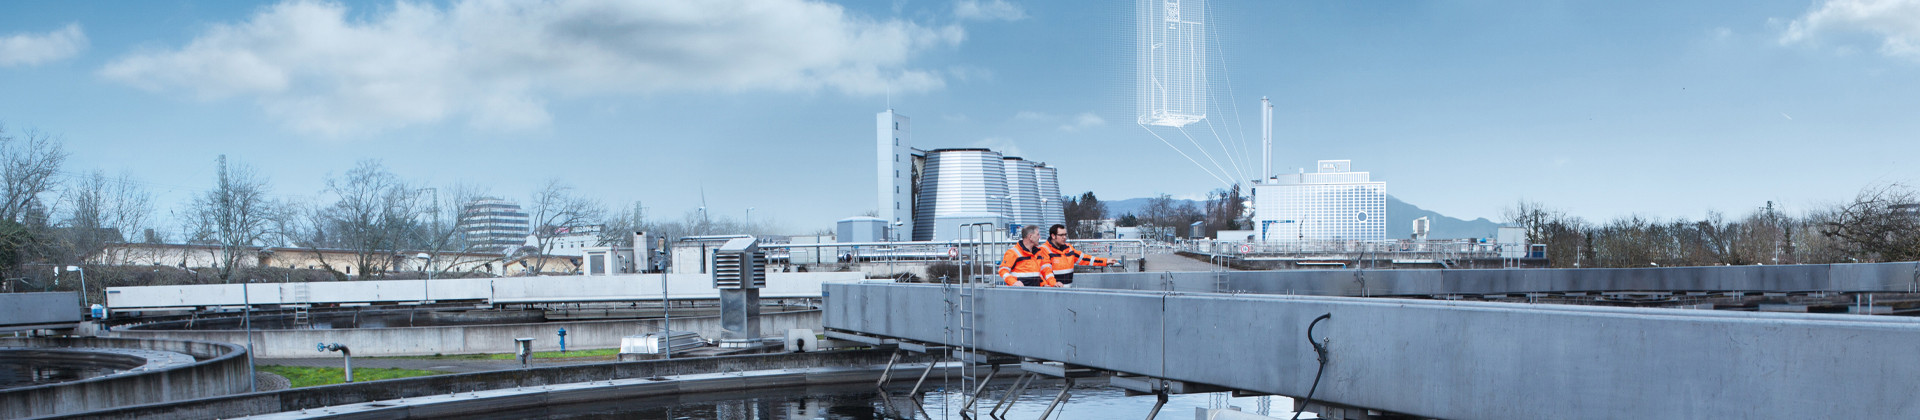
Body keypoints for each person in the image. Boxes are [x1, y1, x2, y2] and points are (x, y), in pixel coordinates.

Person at [1043, 224, 1114, 287]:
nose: (1064, 237)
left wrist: (1105, 261)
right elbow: (1046, 271)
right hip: (1052, 292)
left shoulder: (1069, 249)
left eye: (1065, 234)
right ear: (1053, 236)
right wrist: (1054, 284)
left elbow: (1084, 259)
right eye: (1061, 235)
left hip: (1067, 291)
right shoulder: (1044, 250)